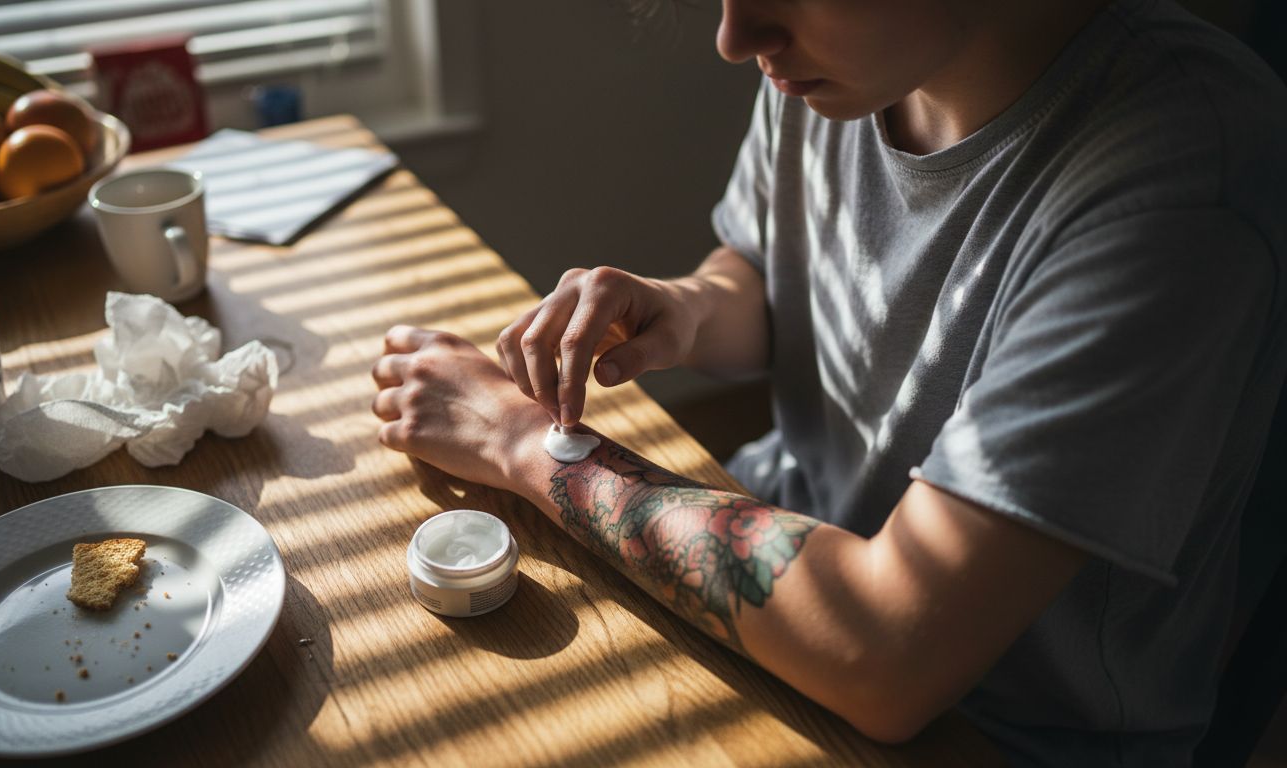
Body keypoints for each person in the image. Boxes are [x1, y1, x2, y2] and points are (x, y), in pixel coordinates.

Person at [371, 0, 1287, 764]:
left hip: (990, 728)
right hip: (779, 560)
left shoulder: (1178, 182)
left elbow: (886, 650)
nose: (735, 36)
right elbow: (764, 276)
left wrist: (522, 443)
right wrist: (685, 306)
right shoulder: (848, 61)